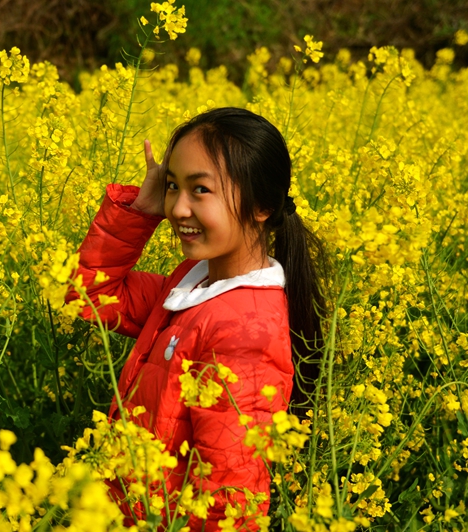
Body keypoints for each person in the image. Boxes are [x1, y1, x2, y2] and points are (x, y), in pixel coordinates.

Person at [65, 107, 327, 530]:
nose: (177, 208)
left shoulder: (248, 331)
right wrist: (139, 209)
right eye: (172, 186)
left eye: (200, 190)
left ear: (260, 205)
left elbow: (232, 499)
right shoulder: (189, 283)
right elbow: (89, 294)